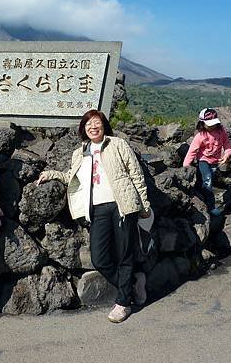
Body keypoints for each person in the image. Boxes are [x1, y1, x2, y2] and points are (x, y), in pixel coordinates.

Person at [37, 109, 151, 323]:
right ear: (83, 129)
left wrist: (143, 204)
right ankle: (133, 283)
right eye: (88, 124)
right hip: (96, 209)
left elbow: (136, 174)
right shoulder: (79, 152)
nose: (92, 126)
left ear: (104, 125)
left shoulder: (117, 144)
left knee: (125, 255)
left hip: (122, 205)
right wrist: (52, 174)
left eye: (96, 122)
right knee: (99, 258)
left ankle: (123, 302)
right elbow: (72, 176)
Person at [183, 108, 231, 216]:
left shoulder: (221, 132)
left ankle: (200, 196)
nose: (212, 126)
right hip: (203, 160)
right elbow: (192, 151)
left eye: (214, 123)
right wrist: (186, 165)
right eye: (209, 124)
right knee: (208, 180)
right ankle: (211, 207)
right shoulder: (200, 136)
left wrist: (226, 155)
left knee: (204, 181)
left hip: (215, 161)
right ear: (202, 123)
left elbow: (227, 144)